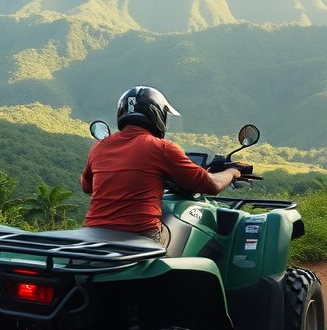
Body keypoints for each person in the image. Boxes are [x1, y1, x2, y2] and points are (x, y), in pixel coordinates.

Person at [80, 86, 250, 242]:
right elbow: (212, 184)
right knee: (185, 232)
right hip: (140, 234)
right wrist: (233, 171)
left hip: (95, 232)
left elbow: (87, 187)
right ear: (157, 114)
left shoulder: (100, 147)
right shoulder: (161, 147)